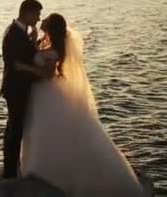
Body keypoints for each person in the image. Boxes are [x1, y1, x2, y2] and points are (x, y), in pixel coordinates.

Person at [15, 13, 147, 196]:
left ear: (51, 26)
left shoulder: (54, 50)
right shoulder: (46, 43)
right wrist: (33, 38)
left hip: (48, 92)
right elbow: (36, 53)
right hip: (42, 94)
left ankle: (52, 172)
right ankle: (40, 167)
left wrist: (24, 68)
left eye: (45, 20)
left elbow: (47, 75)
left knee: (50, 130)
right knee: (42, 130)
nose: (42, 19)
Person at [0, 0, 42, 178]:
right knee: (15, 129)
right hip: (16, 89)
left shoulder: (19, 31)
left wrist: (32, 40)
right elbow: (16, 64)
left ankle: (10, 168)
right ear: (29, 13)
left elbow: (25, 56)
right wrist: (37, 71)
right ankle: (10, 172)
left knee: (14, 127)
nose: (39, 19)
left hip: (16, 88)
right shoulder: (14, 34)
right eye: (37, 14)